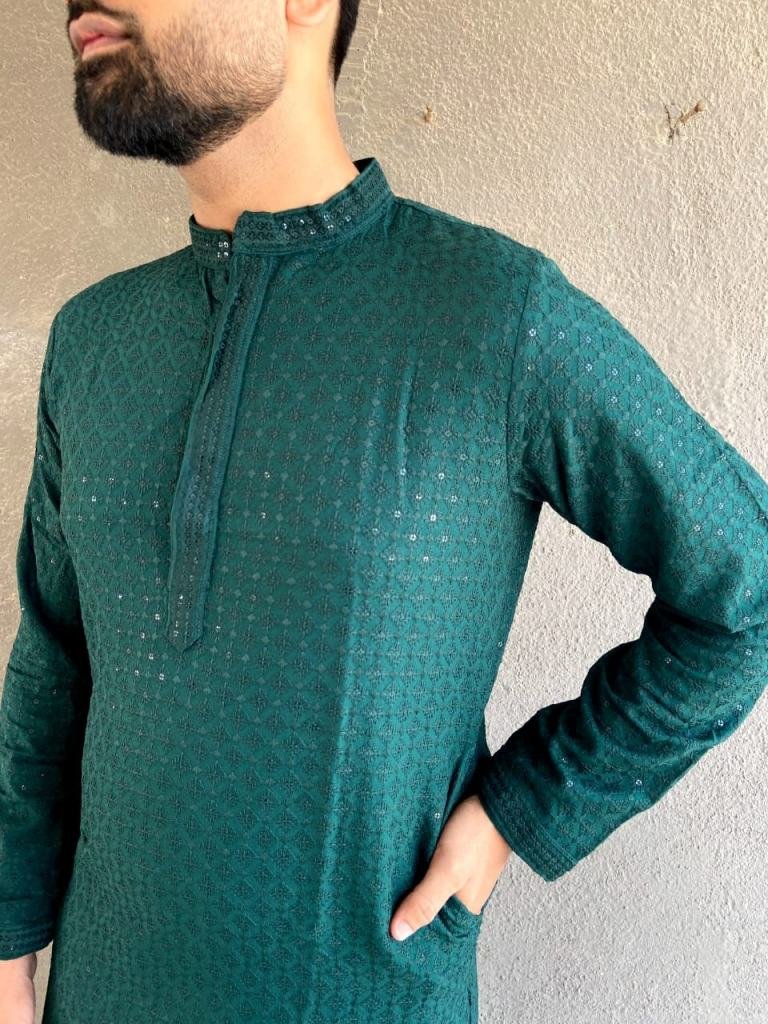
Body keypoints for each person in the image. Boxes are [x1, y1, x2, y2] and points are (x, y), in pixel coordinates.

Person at [1, 1, 766, 1022]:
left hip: (368, 992)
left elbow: (746, 586)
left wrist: (523, 806)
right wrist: (8, 939)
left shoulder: (496, 317)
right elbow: (52, 665)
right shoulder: (95, 341)